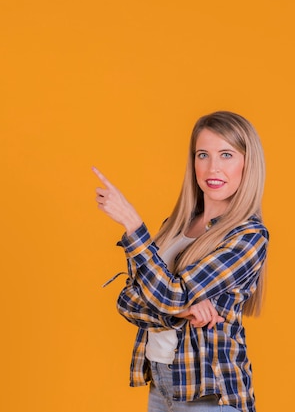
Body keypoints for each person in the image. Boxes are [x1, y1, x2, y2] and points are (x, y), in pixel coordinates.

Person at [93, 111, 269, 412]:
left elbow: (169, 294)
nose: (213, 167)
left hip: (210, 395)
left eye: (226, 154)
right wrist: (182, 310)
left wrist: (133, 225)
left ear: (247, 164)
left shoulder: (248, 236)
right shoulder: (175, 225)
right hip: (161, 386)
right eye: (203, 155)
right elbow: (128, 301)